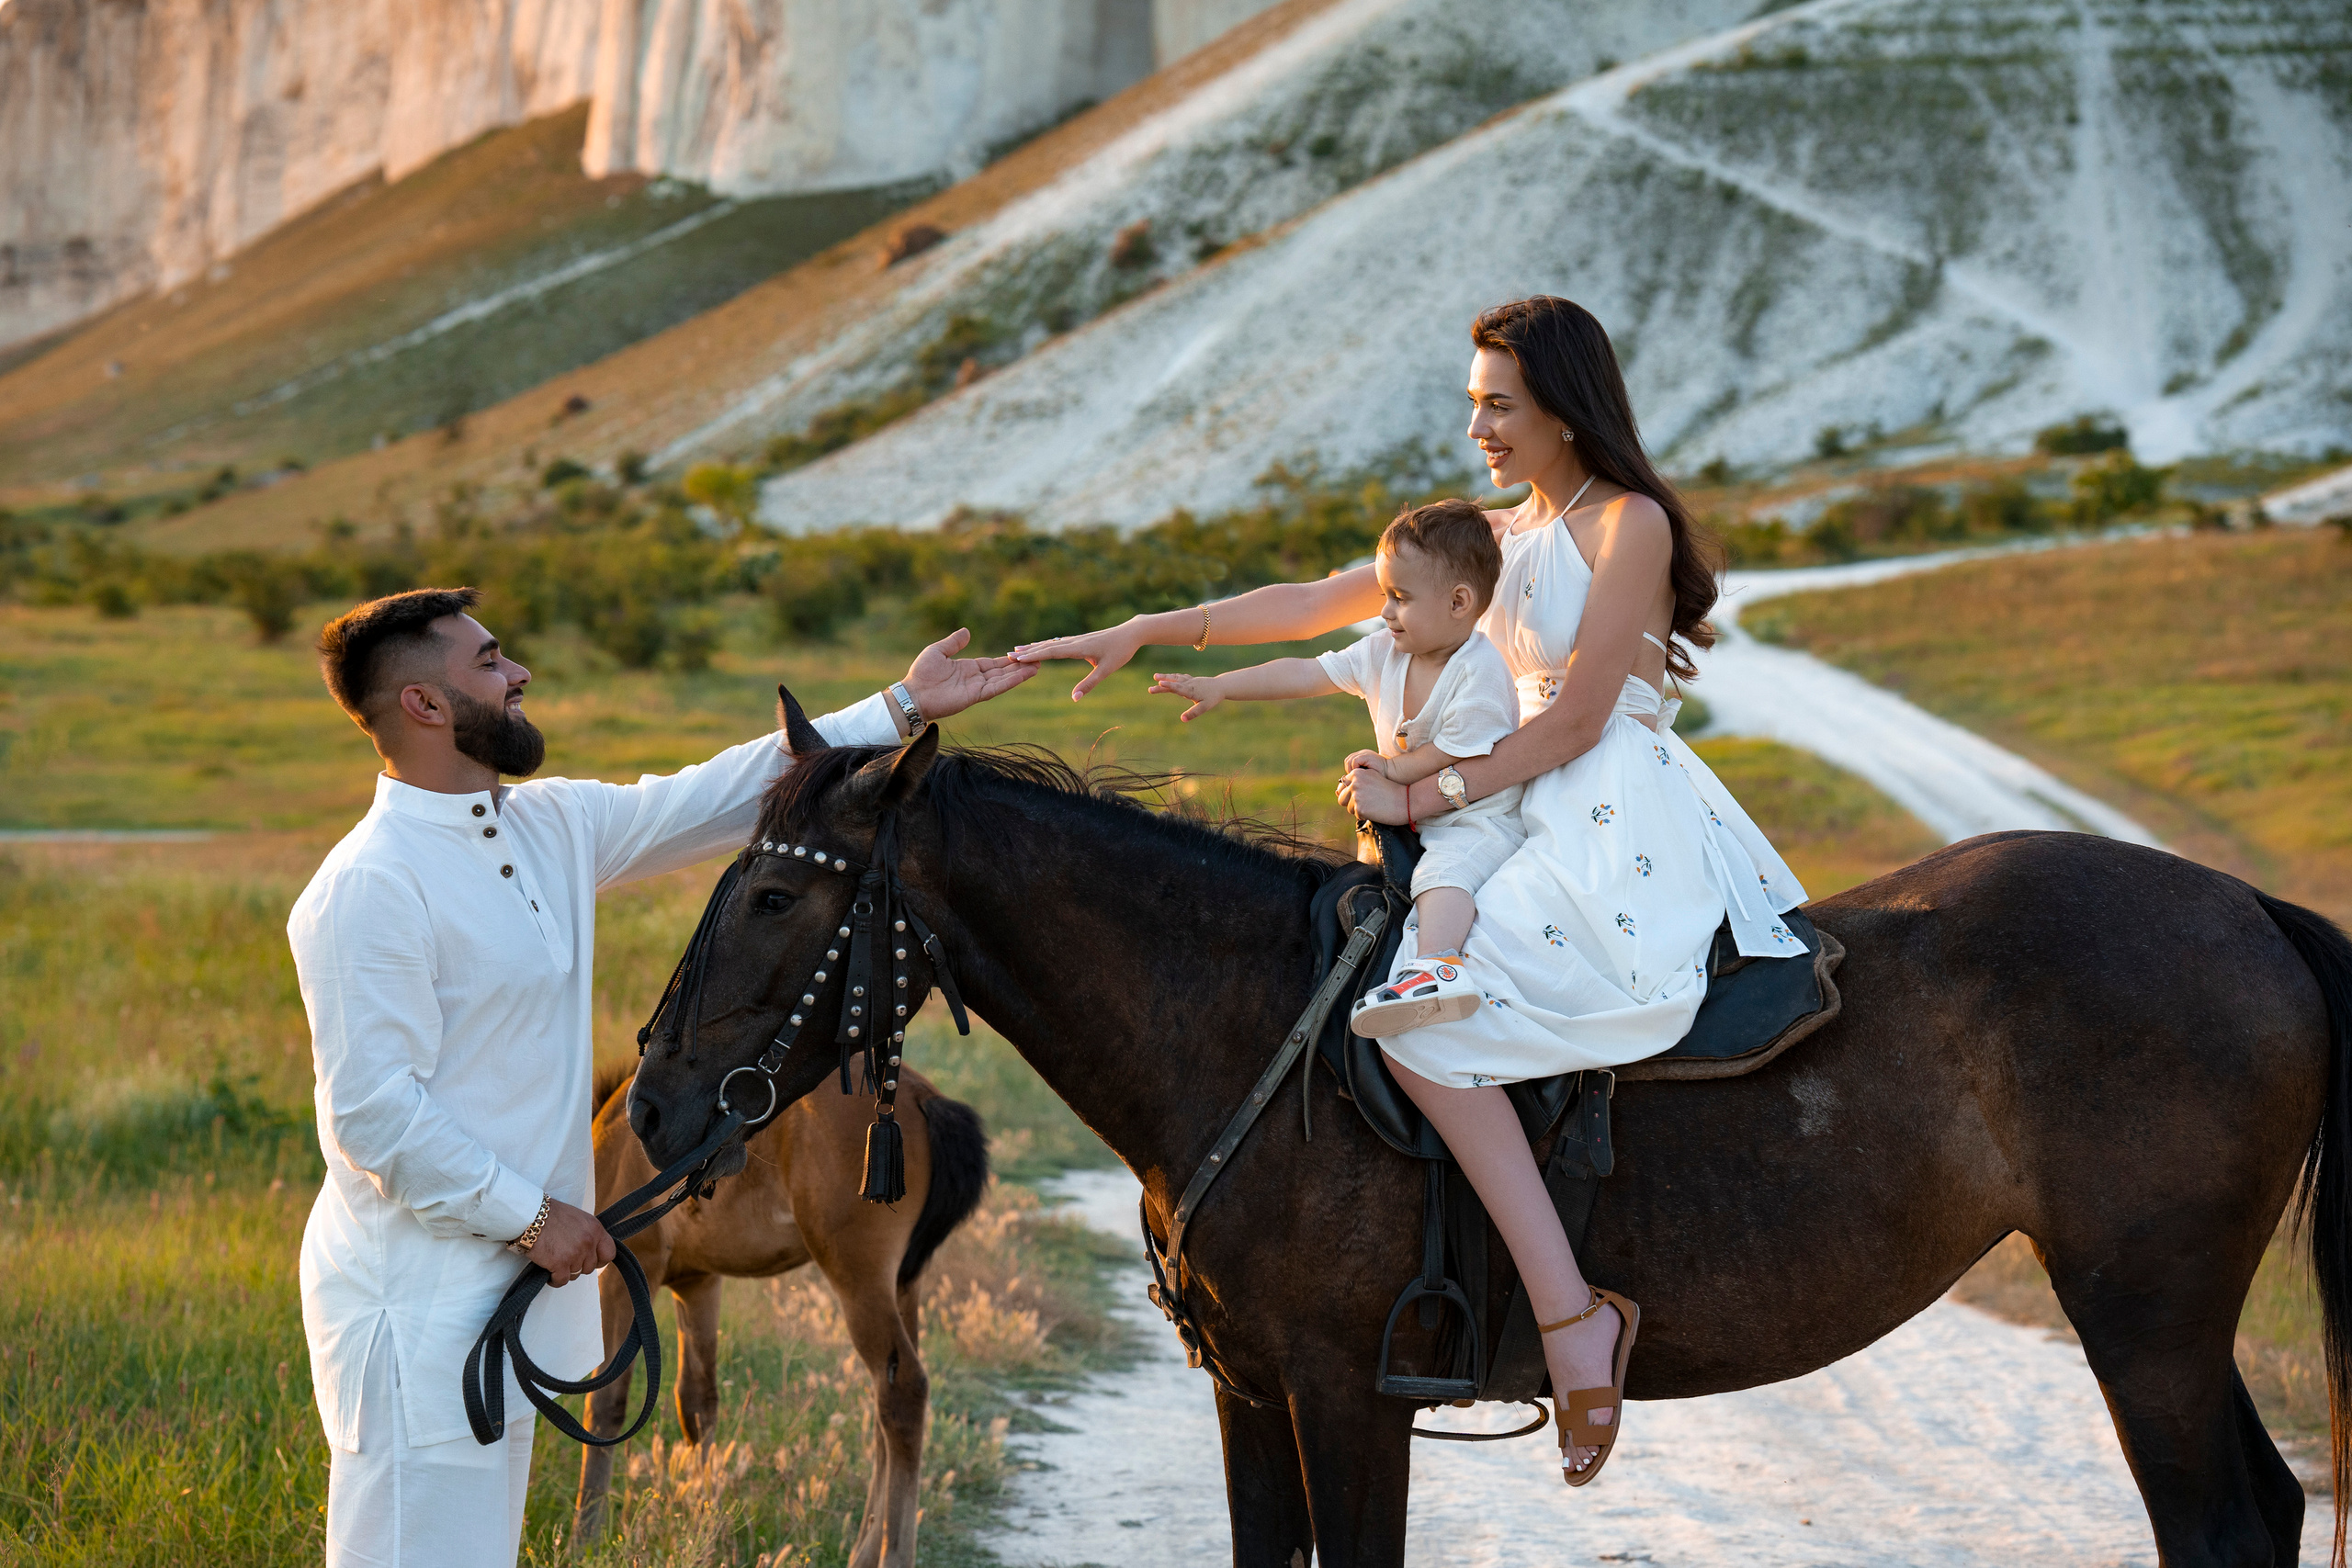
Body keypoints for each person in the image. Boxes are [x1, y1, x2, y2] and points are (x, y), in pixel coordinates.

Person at [1015, 296, 1807, 1485]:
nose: (1479, 423)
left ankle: (1568, 1309)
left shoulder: (1627, 522)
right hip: (1509, 799)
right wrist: (1147, 627)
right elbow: (1317, 603)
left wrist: (1423, 799)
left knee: (1427, 1034)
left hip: (1603, 807)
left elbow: (1583, 714)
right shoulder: (1484, 535)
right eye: (1474, 400)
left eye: (1500, 400)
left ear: (1562, 404)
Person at [287, 587, 1032, 1567]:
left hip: (511, 1296)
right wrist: (536, 1215)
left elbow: (715, 793)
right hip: (418, 1313)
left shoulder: (543, 827)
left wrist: (900, 709)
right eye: (488, 663)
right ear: (425, 706)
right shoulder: (369, 884)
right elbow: (374, 1118)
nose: (516, 676)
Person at [1146, 497, 1527, 1037]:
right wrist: (1223, 686)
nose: (1385, 612)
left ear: (1460, 601)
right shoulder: (1384, 653)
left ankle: (1438, 968)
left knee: (1445, 877)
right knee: (1368, 885)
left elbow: (1460, 753)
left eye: (1400, 598)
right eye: (1383, 596)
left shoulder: (1480, 670)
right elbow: (1306, 672)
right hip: (1406, 816)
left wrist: (1393, 772)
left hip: (1473, 816)